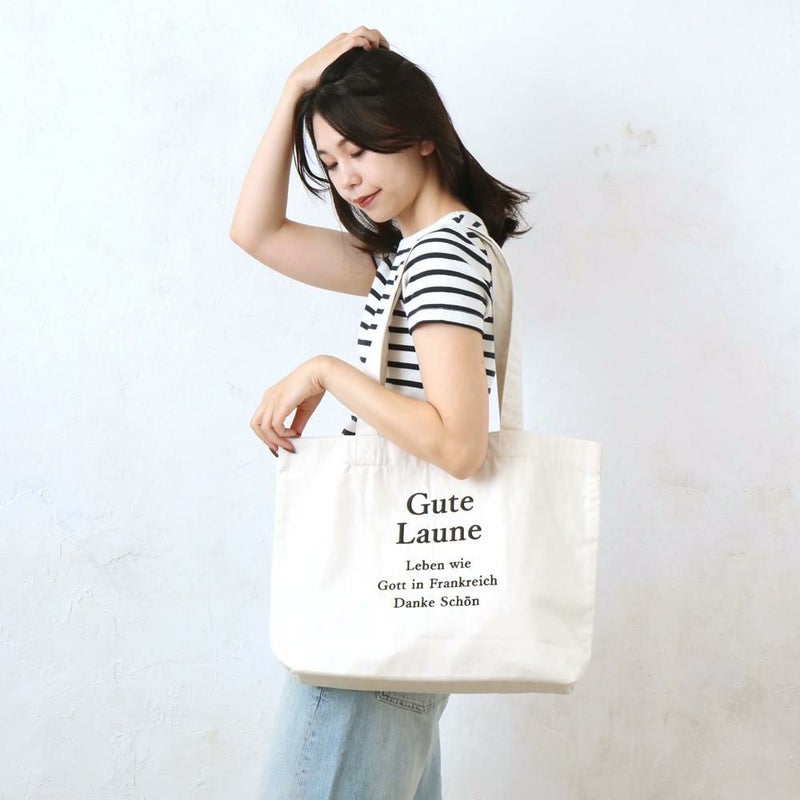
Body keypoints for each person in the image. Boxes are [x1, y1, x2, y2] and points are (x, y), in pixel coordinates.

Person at [230, 25, 530, 800]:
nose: (347, 177)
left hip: (379, 611)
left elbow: (458, 446)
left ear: (421, 134)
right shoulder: (413, 256)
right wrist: (294, 89)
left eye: (359, 149)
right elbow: (255, 232)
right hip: (407, 600)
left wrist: (327, 371)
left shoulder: (439, 257)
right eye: (330, 162)